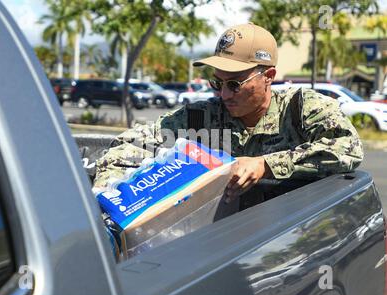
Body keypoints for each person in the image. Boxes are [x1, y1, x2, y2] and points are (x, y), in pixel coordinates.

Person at [93, 23, 363, 206]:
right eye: (217, 83)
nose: (224, 95)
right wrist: (108, 198)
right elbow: (130, 145)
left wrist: (265, 164)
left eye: (235, 84)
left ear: (268, 76)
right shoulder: (200, 117)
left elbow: (347, 148)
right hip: (220, 242)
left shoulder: (301, 109)